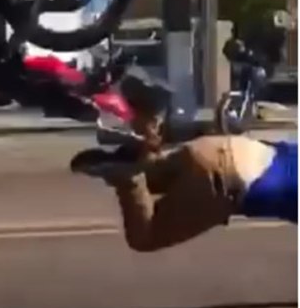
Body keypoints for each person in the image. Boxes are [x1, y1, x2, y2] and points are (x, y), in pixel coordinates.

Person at [71, 71, 297, 252]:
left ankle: (148, 117)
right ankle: (127, 177)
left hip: (219, 147)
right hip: (227, 182)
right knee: (145, 236)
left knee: (152, 177)